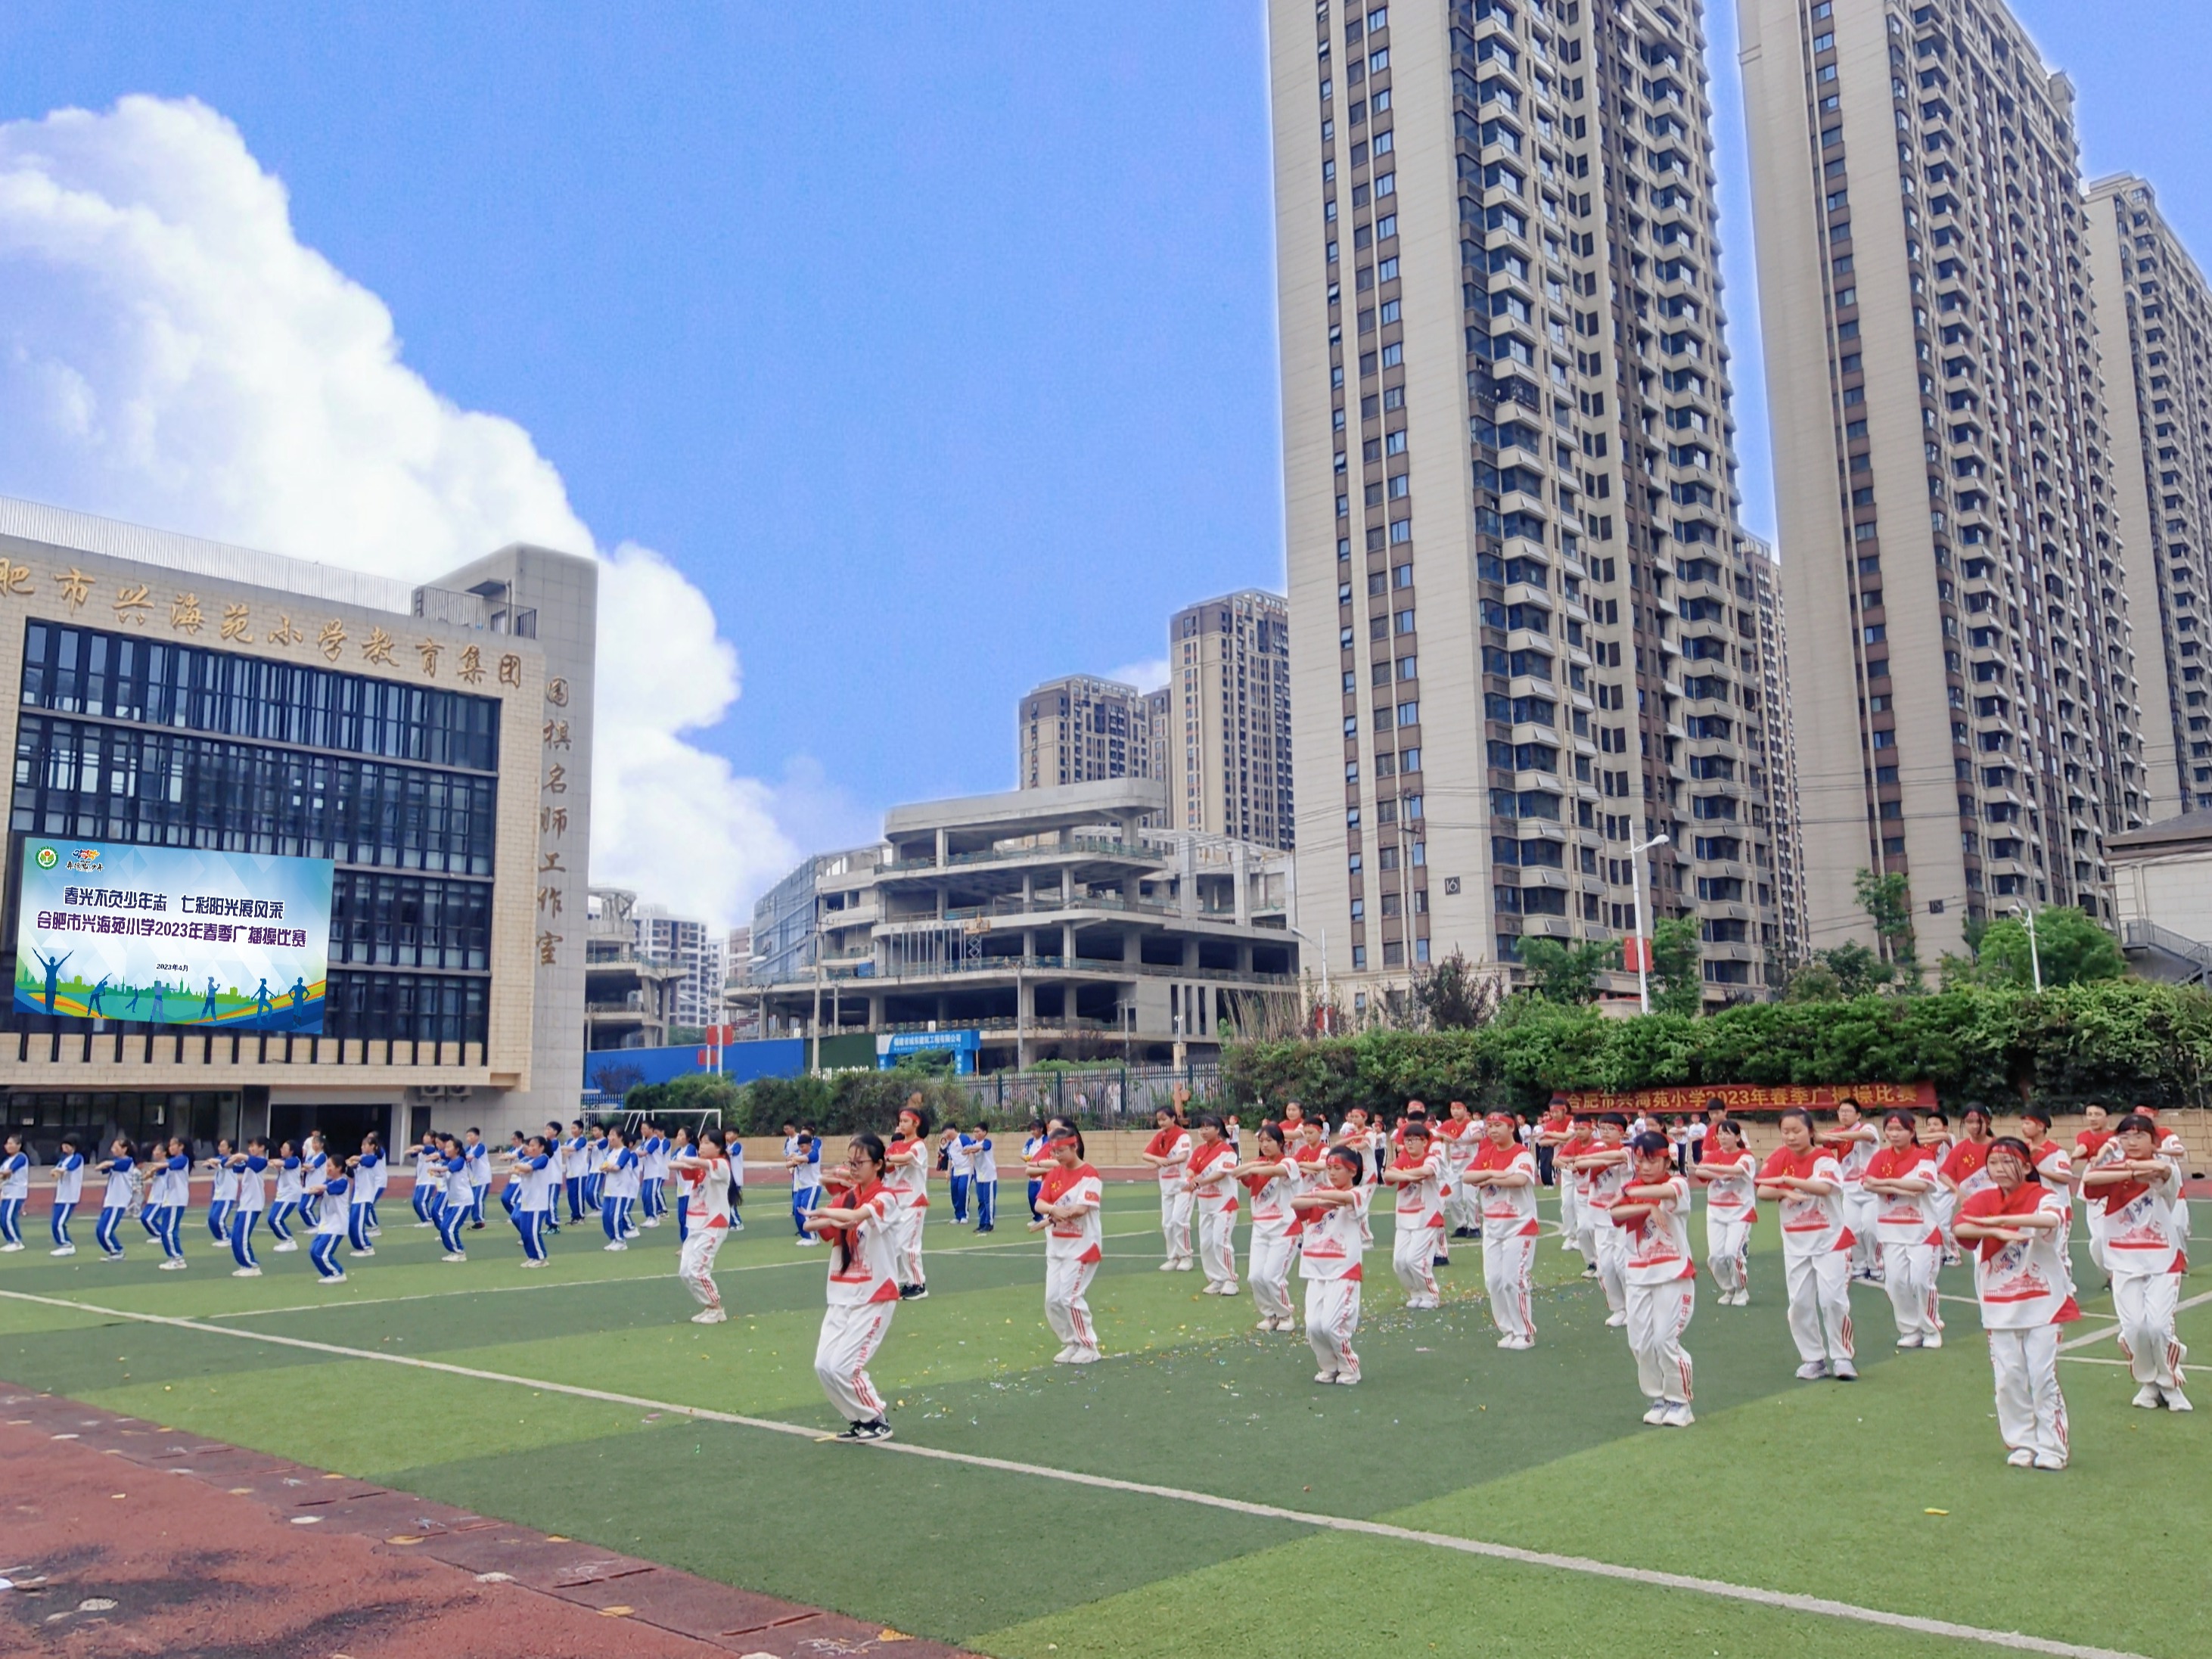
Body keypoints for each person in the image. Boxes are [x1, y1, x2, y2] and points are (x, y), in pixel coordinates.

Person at [1956, 1137, 2078, 1469]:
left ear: (2026, 1167)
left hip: (2044, 1304)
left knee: (2042, 1376)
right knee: (2008, 1378)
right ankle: (2022, 1442)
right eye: (1993, 1163)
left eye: (2008, 1162)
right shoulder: (1983, 1199)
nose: (1999, 1169)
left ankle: (2053, 1448)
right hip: (1998, 1305)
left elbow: (2051, 1221)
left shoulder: (2043, 1196)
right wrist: (1995, 1228)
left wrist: (1995, 1223)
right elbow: (1962, 1227)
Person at [2085, 1112, 2191, 1412]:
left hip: (2163, 1261)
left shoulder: (2167, 1168)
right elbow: (2089, 1180)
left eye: (2140, 1136)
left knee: (2157, 1326)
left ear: (2154, 1141)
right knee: (2133, 1328)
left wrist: (2136, 1167)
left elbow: (2163, 1170)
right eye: (2125, 1136)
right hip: (2123, 1261)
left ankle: (2169, 1384)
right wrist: (2129, 1172)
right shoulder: (2114, 1170)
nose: (2131, 1142)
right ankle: (2149, 1383)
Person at [806, 1134, 902, 1441]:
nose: (853, 1168)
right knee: (824, 1366)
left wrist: (831, 1214)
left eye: (860, 1162)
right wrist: (830, 1216)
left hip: (874, 1295)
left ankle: (876, 1418)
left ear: (878, 1165)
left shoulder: (885, 1198)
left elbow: (859, 1216)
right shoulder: (847, 1198)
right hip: (841, 1295)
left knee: (845, 1366)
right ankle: (860, 1420)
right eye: (850, 1162)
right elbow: (809, 1225)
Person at [1757, 1107, 1856, 1381]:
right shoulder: (1779, 1156)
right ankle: (1813, 1359)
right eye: (1785, 1132)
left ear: (1810, 1131)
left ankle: (1842, 1357)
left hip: (1830, 1242)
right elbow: (1763, 1189)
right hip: (1796, 1244)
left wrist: (1786, 1180)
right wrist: (1784, 1190)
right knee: (1799, 1304)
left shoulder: (1824, 1159)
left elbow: (1824, 1188)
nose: (1790, 1137)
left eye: (1796, 1131)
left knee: (1832, 1300)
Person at [1611, 1131, 1697, 1427]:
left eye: (1651, 1161)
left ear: (1667, 1161)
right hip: (1638, 1275)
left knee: (1665, 1340)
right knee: (1640, 1342)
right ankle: (1658, 1398)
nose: (1645, 1168)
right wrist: (1647, 1206)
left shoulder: (1677, 1184)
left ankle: (1680, 1402)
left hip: (1673, 1274)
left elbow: (1666, 1193)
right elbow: (1616, 1212)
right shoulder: (1632, 1188)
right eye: (1639, 1162)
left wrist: (1632, 1194)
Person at [1862, 1111, 1944, 1350]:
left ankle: (1931, 1329)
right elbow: (1867, 1183)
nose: (1894, 1134)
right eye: (1890, 1129)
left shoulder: (1923, 1157)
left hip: (1922, 1232)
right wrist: (1899, 1188)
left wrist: (1885, 1183)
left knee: (1921, 1281)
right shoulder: (1880, 1157)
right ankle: (1910, 1330)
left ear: (1912, 1131)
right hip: (1891, 1232)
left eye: (1900, 1129)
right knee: (1896, 1283)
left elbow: (1921, 1185)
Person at [1292, 1146, 1369, 1385]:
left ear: (1352, 1171)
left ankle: (1349, 1367)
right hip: (1315, 1268)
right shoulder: (1319, 1191)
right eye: (1329, 1168)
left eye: (1338, 1168)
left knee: (1332, 1325)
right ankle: (1329, 1366)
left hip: (1343, 1269)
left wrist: (1325, 1199)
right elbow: (1295, 1202)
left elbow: (1347, 1199)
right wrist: (1320, 1199)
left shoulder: (1359, 1193)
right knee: (1314, 1326)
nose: (1332, 1173)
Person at [1465, 1110, 1540, 1348]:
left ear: (1511, 1127)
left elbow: (1519, 1180)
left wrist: (1488, 1178)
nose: (1493, 1130)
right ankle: (1508, 1329)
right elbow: (1468, 1176)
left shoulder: (1521, 1154)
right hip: (1493, 1227)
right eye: (1489, 1126)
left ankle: (1524, 1332)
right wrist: (1493, 1174)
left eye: (1498, 1125)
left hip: (1520, 1226)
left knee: (1513, 1279)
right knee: (1494, 1281)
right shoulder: (1485, 1154)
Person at [1032, 1126, 1105, 1362]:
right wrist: (1054, 1210)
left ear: (1075, 1147)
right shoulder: (1055, 1173)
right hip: (1057, 1248)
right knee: (1052, 1300)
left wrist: (1062, 1212)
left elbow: (1082, 1208)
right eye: (1053, 1152)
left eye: (1061, 1151)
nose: (1057, 1156)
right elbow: (1040, 1204)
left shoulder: (1089, 1174)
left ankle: (1088, 1346)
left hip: (1082, 1247)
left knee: (1070, 1297)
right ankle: (1072, 1342)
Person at [1561, 1116, 1633, 1326]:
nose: (1606, 1132)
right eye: (1603, 1128)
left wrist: (1594, 1159)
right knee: (1606, 1267)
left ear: (1622, 1132)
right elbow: (1579, 1164)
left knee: (1622, 1265)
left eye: (1611, 1128)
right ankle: (1618, 1308)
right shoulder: (1597, 1148)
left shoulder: (1628, 1151)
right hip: (1600, 1216)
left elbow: (1618, 1157)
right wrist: (1597, 1159)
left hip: (1622, 1216)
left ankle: (1633, 1307)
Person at [1237, 1123, 1299, 1334]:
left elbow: (1275, 1171)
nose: (1264, 1145)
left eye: (1269, 1140)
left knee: (1272, 1276)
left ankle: (1285, 1315)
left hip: (1285, 1229)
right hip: (1261, 1229)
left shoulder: (1289, 1163)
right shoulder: (1257, 1164)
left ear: (1281, 1143)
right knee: (1255, 1277)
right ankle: (1270, 1314)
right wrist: (1246, 1169)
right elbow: (1238, 1173)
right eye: (1261, 1141)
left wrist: (1251, 1168)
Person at [1380, 1118, 1447, 1309]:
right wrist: (1409, 1175)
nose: (1409, 1143)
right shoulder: (1403, 1158)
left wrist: (1403, 1174)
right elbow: (1388, 1175)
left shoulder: (1431, 1158)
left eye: (1414, 1139)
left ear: (1424, 1142)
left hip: (1426, 1218)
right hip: (1404, 1218)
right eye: (1406, 1140)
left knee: (1415, 1260)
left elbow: (1427, 1171)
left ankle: (1430, 1295)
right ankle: (1416, 1293)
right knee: (1399, 1262)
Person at [670, 1129, 735, 1320]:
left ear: (719, 1147)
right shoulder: (700, 1167)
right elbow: (673, 1165)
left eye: (707, 1143)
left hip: (714, 1224)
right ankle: (709, 1306)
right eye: (701, 1143)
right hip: (696, 1224)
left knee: (698, 1270)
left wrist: (688, 1160)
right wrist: (685, 1162)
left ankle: (717, 1309)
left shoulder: (722, 1164)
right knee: (685, 1272)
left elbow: (703, 1163)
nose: (702, 1147)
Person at [1692, 1117, 1757, 1306]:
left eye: (1727, 1133)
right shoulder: (1714, 1155)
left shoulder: (1746, 1156)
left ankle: (1741, 1290)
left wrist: (1710, 1168)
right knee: (1715, 1257)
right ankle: (1729, 1289)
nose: (1722, 1137)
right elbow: (1700, 1172)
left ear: (1737, 1137)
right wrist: (1719, 1174)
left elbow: (1737, 1170)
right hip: (1716, 1212)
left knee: (1732, 1253)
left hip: (1741, 1213)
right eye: (1720, 1134)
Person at [1822, 1098, 1881, 1282]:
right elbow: (1819, 1139)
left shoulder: (1868, 1128)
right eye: (1841, 1111)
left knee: (1870, 1230)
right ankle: (1860, 1266)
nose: (1844, 1114)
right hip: (1849, 1190)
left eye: (1848, 1111)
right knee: (1853, 1230)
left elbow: (1866, 1137)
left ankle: (1876, 1265)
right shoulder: (1838, 1132)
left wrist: (1838, 1136)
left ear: (1858, 1115)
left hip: (1871, 1189)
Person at [1183, 1114, 1241, 1297]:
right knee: (1206, 1244)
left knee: (1220, 1241)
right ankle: (1216, 1279)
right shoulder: (1199, 1150)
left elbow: (1222, 1174)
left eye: (1208, 1127)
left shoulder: (1227, 1151)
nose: (1203, 1131)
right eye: (1201, 1128)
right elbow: (1191, 1168)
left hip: (1224, 1204)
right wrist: (1191, 1178)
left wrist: (1201, 1181)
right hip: (1205, 1205)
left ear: (1218, 1129)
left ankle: (1230, 1280)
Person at [884, 1098, 934, 1299]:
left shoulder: (919, 1146)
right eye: (900, 1121)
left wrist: (886, 1158)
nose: (901, 1124)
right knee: (896, 1245)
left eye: (906, 1121)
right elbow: (886, 1167)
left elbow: (905, 1159)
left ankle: (919, 1285)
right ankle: (908, 1282)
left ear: (916, 1123)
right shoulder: (896, 1145)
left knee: (909, 1244)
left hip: (915, 1202)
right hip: (898, 1204)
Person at [1937, 1107, 1998, 1267]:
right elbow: (1943, 1174)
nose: (1974, 1126)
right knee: (1980, 1257)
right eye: (1969, 1122)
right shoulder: (1960, 1149)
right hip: (1973, 1207)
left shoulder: (1998, 1146)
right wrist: (1958, 1193)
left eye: (1979, 1121)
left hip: (1999, 1205)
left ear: (1988, 1121)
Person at [1139, 1105, 1195, 1272]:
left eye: (1164, 1119)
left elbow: (1183, 1156)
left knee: (1179, 1221)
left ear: (1173, 1118)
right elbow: (1145, 1154)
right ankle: (1173, 1257)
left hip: (1183, 1185)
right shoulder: (1159, 1136)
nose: (1161, 1123)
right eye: (1159, 1120)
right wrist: (1157, 1160)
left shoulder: (1183, 1136)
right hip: (1167, 1186)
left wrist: (1165, 1162)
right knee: (1167, 1224)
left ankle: (1186, 1256)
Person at [2074, 1104, 2115, 1278]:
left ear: (2107, 1116)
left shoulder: (2116, 1137)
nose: (2092, 1118)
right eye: (2089, 1114)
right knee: (2098, 1239)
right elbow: (2083, 1147)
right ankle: (2110, 1274)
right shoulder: (2085, 1136)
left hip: (2115, 1190)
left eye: (2097, 1114)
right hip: (2094, 1193)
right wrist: (2073, 1156)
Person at [505, 1135, 556, 1268]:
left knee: (533, 1232)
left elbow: (526, 1169)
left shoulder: (543, 1158)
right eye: (529, 1146)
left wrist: (517, 1165)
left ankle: (541, 1258)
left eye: (533, 1146)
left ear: (541, 1147)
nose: (530, 1148)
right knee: (525, 1231)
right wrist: (518, 1168)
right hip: (526, 1201)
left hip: (538, 1202)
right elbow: (513, 1171)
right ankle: (532, 1256)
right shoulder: (528, 1159)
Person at [225, 1139, 272, 1278]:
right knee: (235, 1238)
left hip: (253, 1205)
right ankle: (245, 1264)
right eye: (250, 1146)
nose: (251, 1149)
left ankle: (253, 1266)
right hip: (244, 1204)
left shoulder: (262, 1162)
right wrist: (232, 1161)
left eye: (253, 1146)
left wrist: (241, 1156)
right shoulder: (250, 1162)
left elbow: (254, 1163)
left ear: (262, 1148)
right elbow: (233, 1167)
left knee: (242, 1238)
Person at [307, 1156, 353, 1283]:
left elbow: (328, 1188)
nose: (327, 1169)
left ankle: (338, 1273)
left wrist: (318, 1187)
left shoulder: (343, 1182)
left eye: (329, 1166)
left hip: (337, 1224)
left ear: (339, 1168)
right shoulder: (329, 1182)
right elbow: (322, 1190)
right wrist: (314, 1191)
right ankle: (329, 1274)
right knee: (314, 1251)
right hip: (326, 1224)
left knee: (322, 1253)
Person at [147, 1138, 191, 1269]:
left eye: (173, 1145)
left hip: (176, 1199)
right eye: (170, 1145)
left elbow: (166, 1165)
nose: (170, 1148)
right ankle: (174, 1257)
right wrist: (151, 1171)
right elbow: (157, 1171)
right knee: (166, 1231)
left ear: (181, 1147)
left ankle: (178, 1259)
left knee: (169, 1231)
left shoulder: (182, 1159)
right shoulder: (170, 1162)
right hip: (169, 1199)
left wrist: (155, 1166)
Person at [92, 1136, 137, 1262]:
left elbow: (109, 1165)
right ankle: (113, 1252)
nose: (113, 1150)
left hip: (119, 1201)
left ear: (124, 1149)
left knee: (106, 1232)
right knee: (100, 1230)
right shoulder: (117, 1161)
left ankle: (118, 1251)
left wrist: (105, 1164)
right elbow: (106, 1168)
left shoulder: (128, 1161)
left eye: (116, 1147)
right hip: (110, 1201)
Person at [598, 1124, 639, 1250]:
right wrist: (605, 1167)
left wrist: (608, 1167)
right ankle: (613, 1239)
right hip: (609, 1190)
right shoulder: (611, 1152)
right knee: (606, 1216)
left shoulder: (625, 1151)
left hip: (620, 1190)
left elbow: (618, 1167)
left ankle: (621, 1241)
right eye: (609, 1135)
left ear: (620, 1137)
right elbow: (603, 1166)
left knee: (615, 1217)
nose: (609, 1138)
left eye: (613, 1135)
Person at [47, 1134, 86, 1257]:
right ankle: (63, 1244)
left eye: (67, 1145)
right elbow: (57, 1171)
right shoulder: (63, 1159)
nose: (64, 1148)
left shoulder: (77, 1158)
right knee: (55, 1222)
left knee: (59, 1223)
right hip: (61, 1195)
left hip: (70, 1196)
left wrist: (58, 1171)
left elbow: (68, 1168)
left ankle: (67, 1245)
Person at [435, 1134, 473, 1261]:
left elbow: (449, 1168)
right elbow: (445, 1173)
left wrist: (439, 1168)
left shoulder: (460, 1160)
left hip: (463, 1200)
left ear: (457, 1149)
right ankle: (454, 1251)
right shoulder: (449, 1162)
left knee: (450, 1228)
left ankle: (460, 1253)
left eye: (449, 1147)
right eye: (445, 1147)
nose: (446, 1150)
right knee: (444, 1228)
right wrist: (437, 1172)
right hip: (453, 1201)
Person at [785, 1124, 823, 1244]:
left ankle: (813, 1238)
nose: (801, 1149)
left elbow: (810, 1158)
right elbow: (788, 1164)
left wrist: (797, 1159)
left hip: (813, 1186)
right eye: (800, 1147)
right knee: (798, 1212)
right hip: (802, 1187)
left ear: (810, 1144)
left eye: (803, 1146)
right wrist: (796, 1159)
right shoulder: (799, 1154)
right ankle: (806, 1236)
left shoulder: (814, 1152)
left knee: (806, 1211)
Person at [268, 1142, 304, 1252]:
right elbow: (277, 1164)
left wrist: (271, 1162)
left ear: (291, 1151)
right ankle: (285, 1240)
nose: (281, 1150)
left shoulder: (295, 1160)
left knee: (276, 1219)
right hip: (282, 1194)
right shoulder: (284, 1161)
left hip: (291, 1194)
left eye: (285, 1148)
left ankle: (290, 1241)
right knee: (271, 1219)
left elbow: (279, 1163)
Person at [348, 1136, 382, 1257]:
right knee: (352, 1224)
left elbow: (368, 1162)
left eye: (365, 1145)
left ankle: (367, 1247)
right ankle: (359, 1247)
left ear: (373, 1147)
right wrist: (349, 1166)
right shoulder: (361, 1159)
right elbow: (352, 1173)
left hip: (365, 1196)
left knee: (358, 1225)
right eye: (362, 1145)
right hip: (357, 1196)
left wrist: (355, 1159)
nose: (362, 1147)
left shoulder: (373, 1158)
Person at [202, 1138, 238, 1245]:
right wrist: (213, 1162)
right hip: (218, 1194)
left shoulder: (232, 1159)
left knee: (219, 1219)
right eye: (220, 1146)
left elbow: (221, 1163)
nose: (220, 1148)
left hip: (227, 1194)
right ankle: (222, 1238)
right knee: (211, 1219)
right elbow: (206, 1164)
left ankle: (228, 1238)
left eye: (223, 1146)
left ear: (230, 1148)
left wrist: (214, 1162)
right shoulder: (220, 1158)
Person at [969, 1121, 999, 1233]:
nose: (976, 1134)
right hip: (979, 1176)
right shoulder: (973, 1143)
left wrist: (971, 1149)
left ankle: (989, 1224)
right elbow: (965, 1150)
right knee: (981, 1201)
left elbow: (981, 1148)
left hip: (989, 1176)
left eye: (978, 1131)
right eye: (974, 1132)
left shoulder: (987, 1142)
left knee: (988, 1201)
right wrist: (970, 1149)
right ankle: (982, 1223)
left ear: (985, 1132)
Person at [412, 1131, 443, 1229]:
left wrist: (418, 1148)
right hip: (421, 1179)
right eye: (424, 1136)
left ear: (433, 1138)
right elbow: (413, 1154)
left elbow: (426, 1149)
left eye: (427, 1136)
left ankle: (428, 1220)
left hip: (429, 1179)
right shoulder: (423, 1149)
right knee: (415, 1201)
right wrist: (415, 1150)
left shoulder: (433, 1148)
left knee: (421, 1201)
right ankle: (424, 1219)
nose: (424, 1138)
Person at [943, 1123, 972, 1226]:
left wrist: (972, 1166)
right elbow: (950, 1159)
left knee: (962, 1191)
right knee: (954, 1193)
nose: (945, 1135)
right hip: (956, 1171)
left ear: (953, 1129)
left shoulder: (963, 1138)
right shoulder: (949, 1145)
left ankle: (964, 1216)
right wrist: (948, 1172)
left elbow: (971, 1151)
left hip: (966, 1170)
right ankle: (958, 1216)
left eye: (946, 1132)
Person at [1022, 1120, 1049, 1219]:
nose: (1032, 1132)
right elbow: (1023, 1154)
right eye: (1031, 1130)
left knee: (1041, 1198)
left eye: (1035, 1129)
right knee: (1031, 1197)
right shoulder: (1030, 1142)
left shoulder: (1046, 1140)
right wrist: (1026, 1158)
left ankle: (1043, 1218)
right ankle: (1037, 1218)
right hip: (1032, 1173)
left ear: (1041, 1129)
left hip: (1042, 1174)